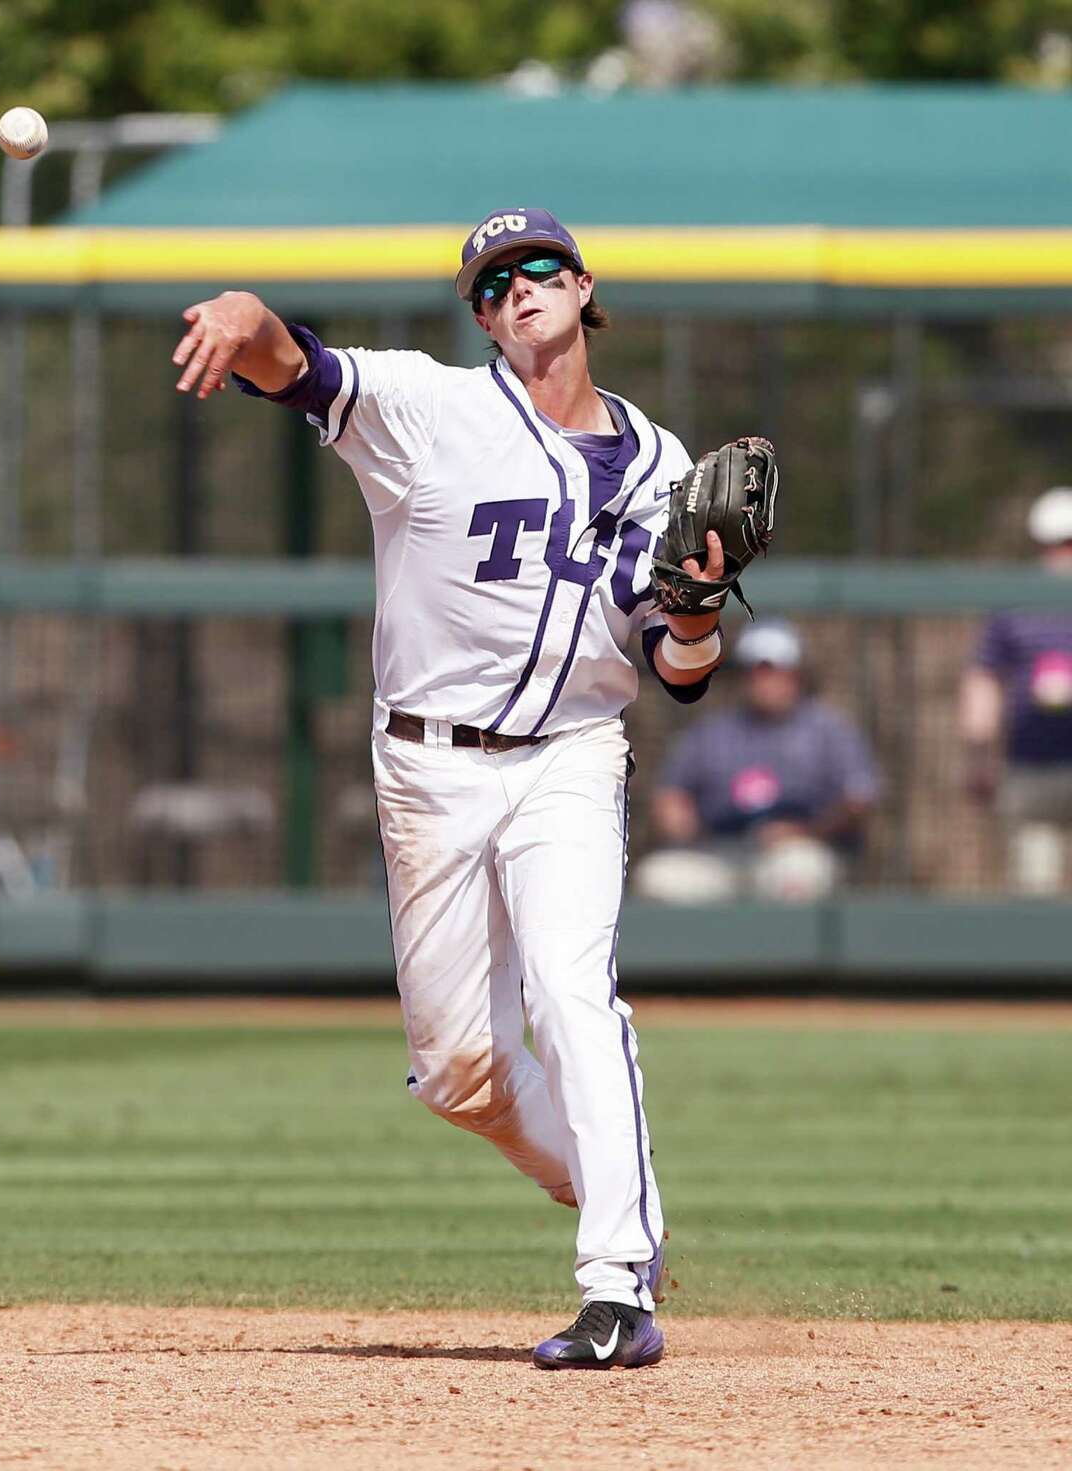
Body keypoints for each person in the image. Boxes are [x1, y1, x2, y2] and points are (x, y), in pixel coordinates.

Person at [171, 207, 735, 1370]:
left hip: (574, 751)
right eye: (491, 283)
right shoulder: (432, 408)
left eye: (537, 270)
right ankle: (606, 1182)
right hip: (428, 765)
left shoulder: (667, 466)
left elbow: (679, 673)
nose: (515, 290)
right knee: (456, 1074)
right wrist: (246, 315)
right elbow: (301, 368)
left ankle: (617, 1283)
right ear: (479, 314)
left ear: (583, 288)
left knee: (575, 991)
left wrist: (694, 610)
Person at [633, 621, 878, 903]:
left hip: (800, 849)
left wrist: (805, 831)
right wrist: (678, 818)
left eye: (771, 669)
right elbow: (671, 795)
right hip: (720, 851)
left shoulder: (828, 730)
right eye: (753, 671)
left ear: (796, 674)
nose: (763, 680)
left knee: (798, 873)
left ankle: (786, 949)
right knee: (658, 878)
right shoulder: (712, 732)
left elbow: (859, 798)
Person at [959, 486, 1072, 894]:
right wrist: (978, 754)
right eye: (1054, 544)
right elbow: (984, 678)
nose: (1062, 554)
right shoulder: (1016, 606)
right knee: (1034, 886)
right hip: (1030, 765)